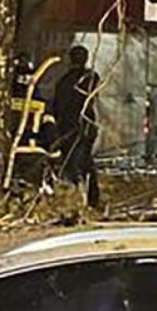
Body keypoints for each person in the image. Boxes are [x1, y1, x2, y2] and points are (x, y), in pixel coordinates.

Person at [44, 44, 102, 209]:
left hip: (70, 127)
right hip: (83, 126)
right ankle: (87, 199)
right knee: (83, 163)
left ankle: (82, 198)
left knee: (74, 163)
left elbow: (57, 107)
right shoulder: (88, 78)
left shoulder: (65, 81)